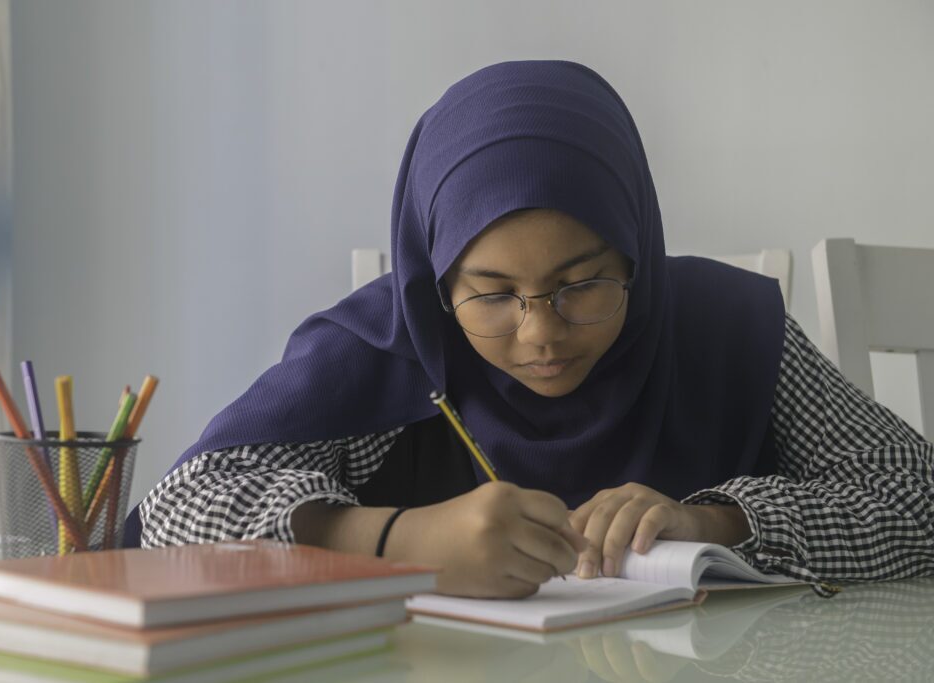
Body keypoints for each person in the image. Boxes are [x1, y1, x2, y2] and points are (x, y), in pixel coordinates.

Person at [126, 61, 934, 598]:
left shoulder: (721, 328)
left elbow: (916, 493)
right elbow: (178, 511)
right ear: (437, 281)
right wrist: (401, 541)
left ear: (635, 251)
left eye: (582, 284)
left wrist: (712, 521)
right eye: (492, 294)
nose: (540, 332)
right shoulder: (390, 345)